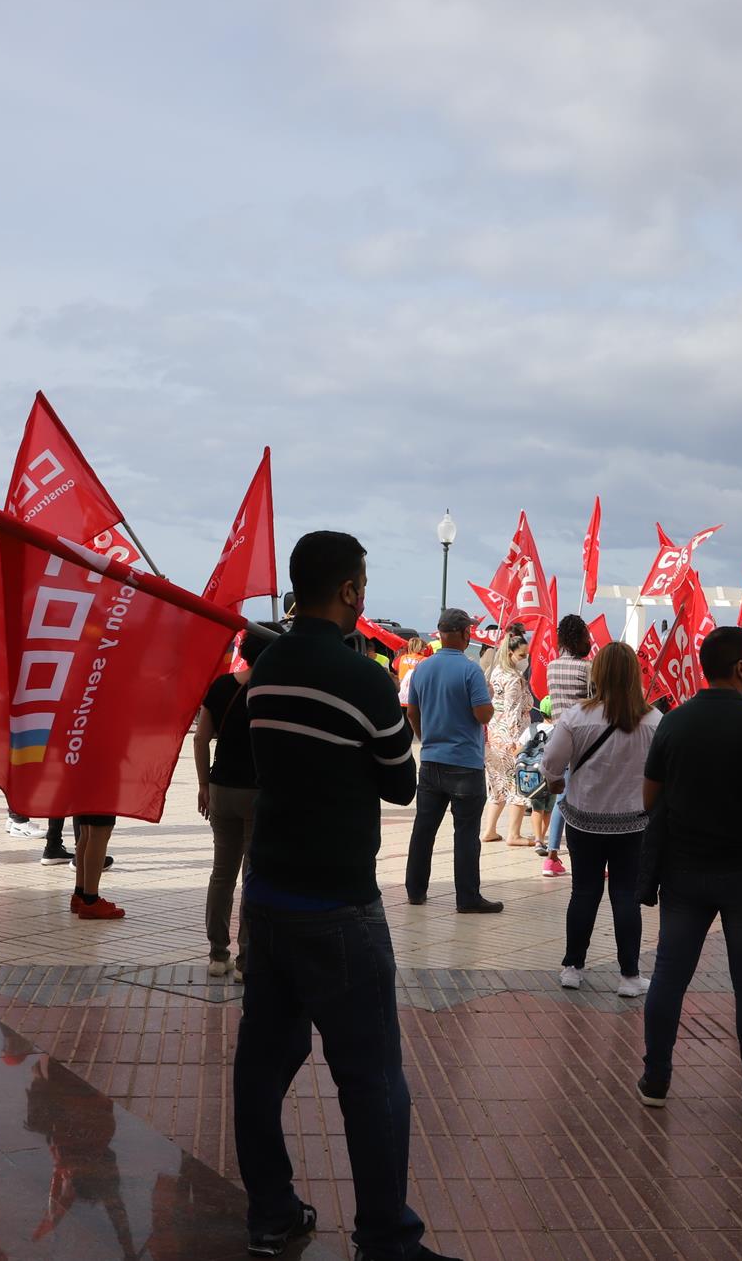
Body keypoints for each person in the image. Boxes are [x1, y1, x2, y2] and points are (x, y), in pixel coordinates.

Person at [233, 532, 453, 1261]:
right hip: (338, 909)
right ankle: (385, 1238)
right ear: (352, 591)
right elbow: (401, 781)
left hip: (265, 897)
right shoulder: (362, 681)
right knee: (373, 1078)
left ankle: (270, 1212)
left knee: (261, 1065)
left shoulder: (264, 669)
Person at [637, 625, 742, 1125]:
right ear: (740, 668)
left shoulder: (674, 721)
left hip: (684, 872)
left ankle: (656, 1080)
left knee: (669, 975)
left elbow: (649, 798)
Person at [544, 640, 658, 996]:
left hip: (584, 818)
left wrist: (556, 780)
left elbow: (550, 762)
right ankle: (628, 976)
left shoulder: (577, 716)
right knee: (625, 895)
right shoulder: (654, 720)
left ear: (598, 674)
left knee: (584, 892)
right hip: (633, 821)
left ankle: (572, 967)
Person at [403, 608, 502, 914]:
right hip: (465, 764)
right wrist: (489, 696)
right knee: (466, 833)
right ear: (464, 634)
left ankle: (415, 890)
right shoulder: (471, 671)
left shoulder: (422, 669)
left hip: (431, 760)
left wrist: (426, 737)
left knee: (424, 829)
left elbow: (411, 713)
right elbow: (482, 714)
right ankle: (467, 897)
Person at [194, 622, 278, 974]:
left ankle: (217, 955)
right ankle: (246, 959)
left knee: (221, 874)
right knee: (253, 877)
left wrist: (202, 786)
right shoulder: (275, 693)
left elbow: (200, 739)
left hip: (221, 789)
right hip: (259, 794)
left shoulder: (221, 686)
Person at [538, 613, 594, 877]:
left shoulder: (552, 666)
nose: (590, 640)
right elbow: (598, 703)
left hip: (559, 735)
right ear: (578, 638)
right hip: (585, 741)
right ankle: (581, 856)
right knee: (581, 799)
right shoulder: (587, 668)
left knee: (562, 796)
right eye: (587, 635)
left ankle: (552, 856)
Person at [479, 629, 534, 846]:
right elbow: (512, 710)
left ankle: (490, 830)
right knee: (517, 786)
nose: (525, 660)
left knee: (496, 785)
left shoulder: (495, 673)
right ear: (510, 653)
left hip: (493, 735)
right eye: (521, 655)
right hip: (511, 737)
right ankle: (514, 833)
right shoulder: (513, 679)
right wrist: (516, 743)